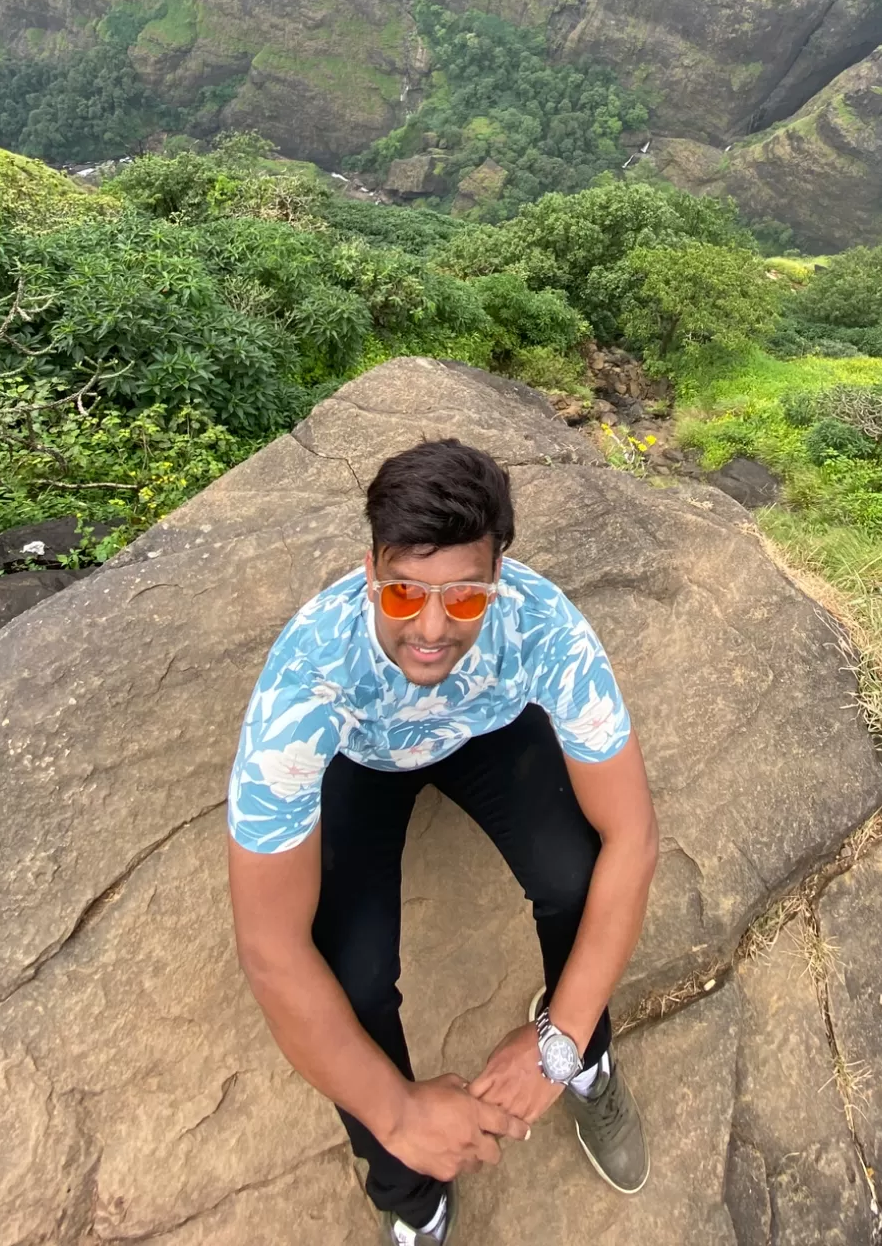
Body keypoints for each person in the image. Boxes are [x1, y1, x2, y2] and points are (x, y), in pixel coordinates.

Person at [227, 436, 660, 1244]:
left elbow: (631, 835)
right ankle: (410, 1194)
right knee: (349, 978)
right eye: (402, 594)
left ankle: (585, 1060)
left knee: (576, 873)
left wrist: (558, 1040)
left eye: (463, 598)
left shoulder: (542, 627)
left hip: (486, 730)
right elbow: (270, 946)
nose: (429, 628)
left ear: (500, 581)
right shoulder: (309, 679)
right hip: (360, 753)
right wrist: (397, 1115)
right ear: (370, 572)